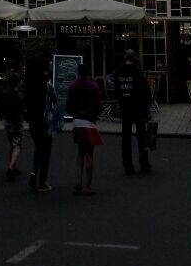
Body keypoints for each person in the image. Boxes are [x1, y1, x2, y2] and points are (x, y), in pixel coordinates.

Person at [65, 63, 104, 195]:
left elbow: (68, 106)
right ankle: (88, 186)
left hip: (77, 122)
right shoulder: (93, 86)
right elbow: (99, 105)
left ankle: (78, 181)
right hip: (89, 122)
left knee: (80, 151)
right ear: (88, 72)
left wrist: (75, 114)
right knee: (89, 153)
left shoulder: (73, 86)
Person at [113, 49, 152, 175]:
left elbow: (116, 91)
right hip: (138, 108)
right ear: (134, 58)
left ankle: (128, 166)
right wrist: (147, 110)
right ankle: (144, 163)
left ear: (125, 58)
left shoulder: (118, 72)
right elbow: (145, 92)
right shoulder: (138, 72)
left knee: (126, 138)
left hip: (125, 108)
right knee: (141, 137)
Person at [24, 58, 56, 192]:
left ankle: (33, 172)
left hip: (33, 122)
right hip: (45, 122)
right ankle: (42, 181)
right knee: (46, 151)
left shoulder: (30, 85)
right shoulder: (48, 86)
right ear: (45, 71)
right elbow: (55, 101)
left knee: (38, 148)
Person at [0, 73, 25, 181]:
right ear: (17, 82)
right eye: (20, 81)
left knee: (12, 144)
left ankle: (13, 165)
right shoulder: (19, 95)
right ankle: (11, 168)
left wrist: (2, 114)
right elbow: (22, 108)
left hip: (8, 121)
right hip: (17, 122)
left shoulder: (5, 93)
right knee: (17, 145)